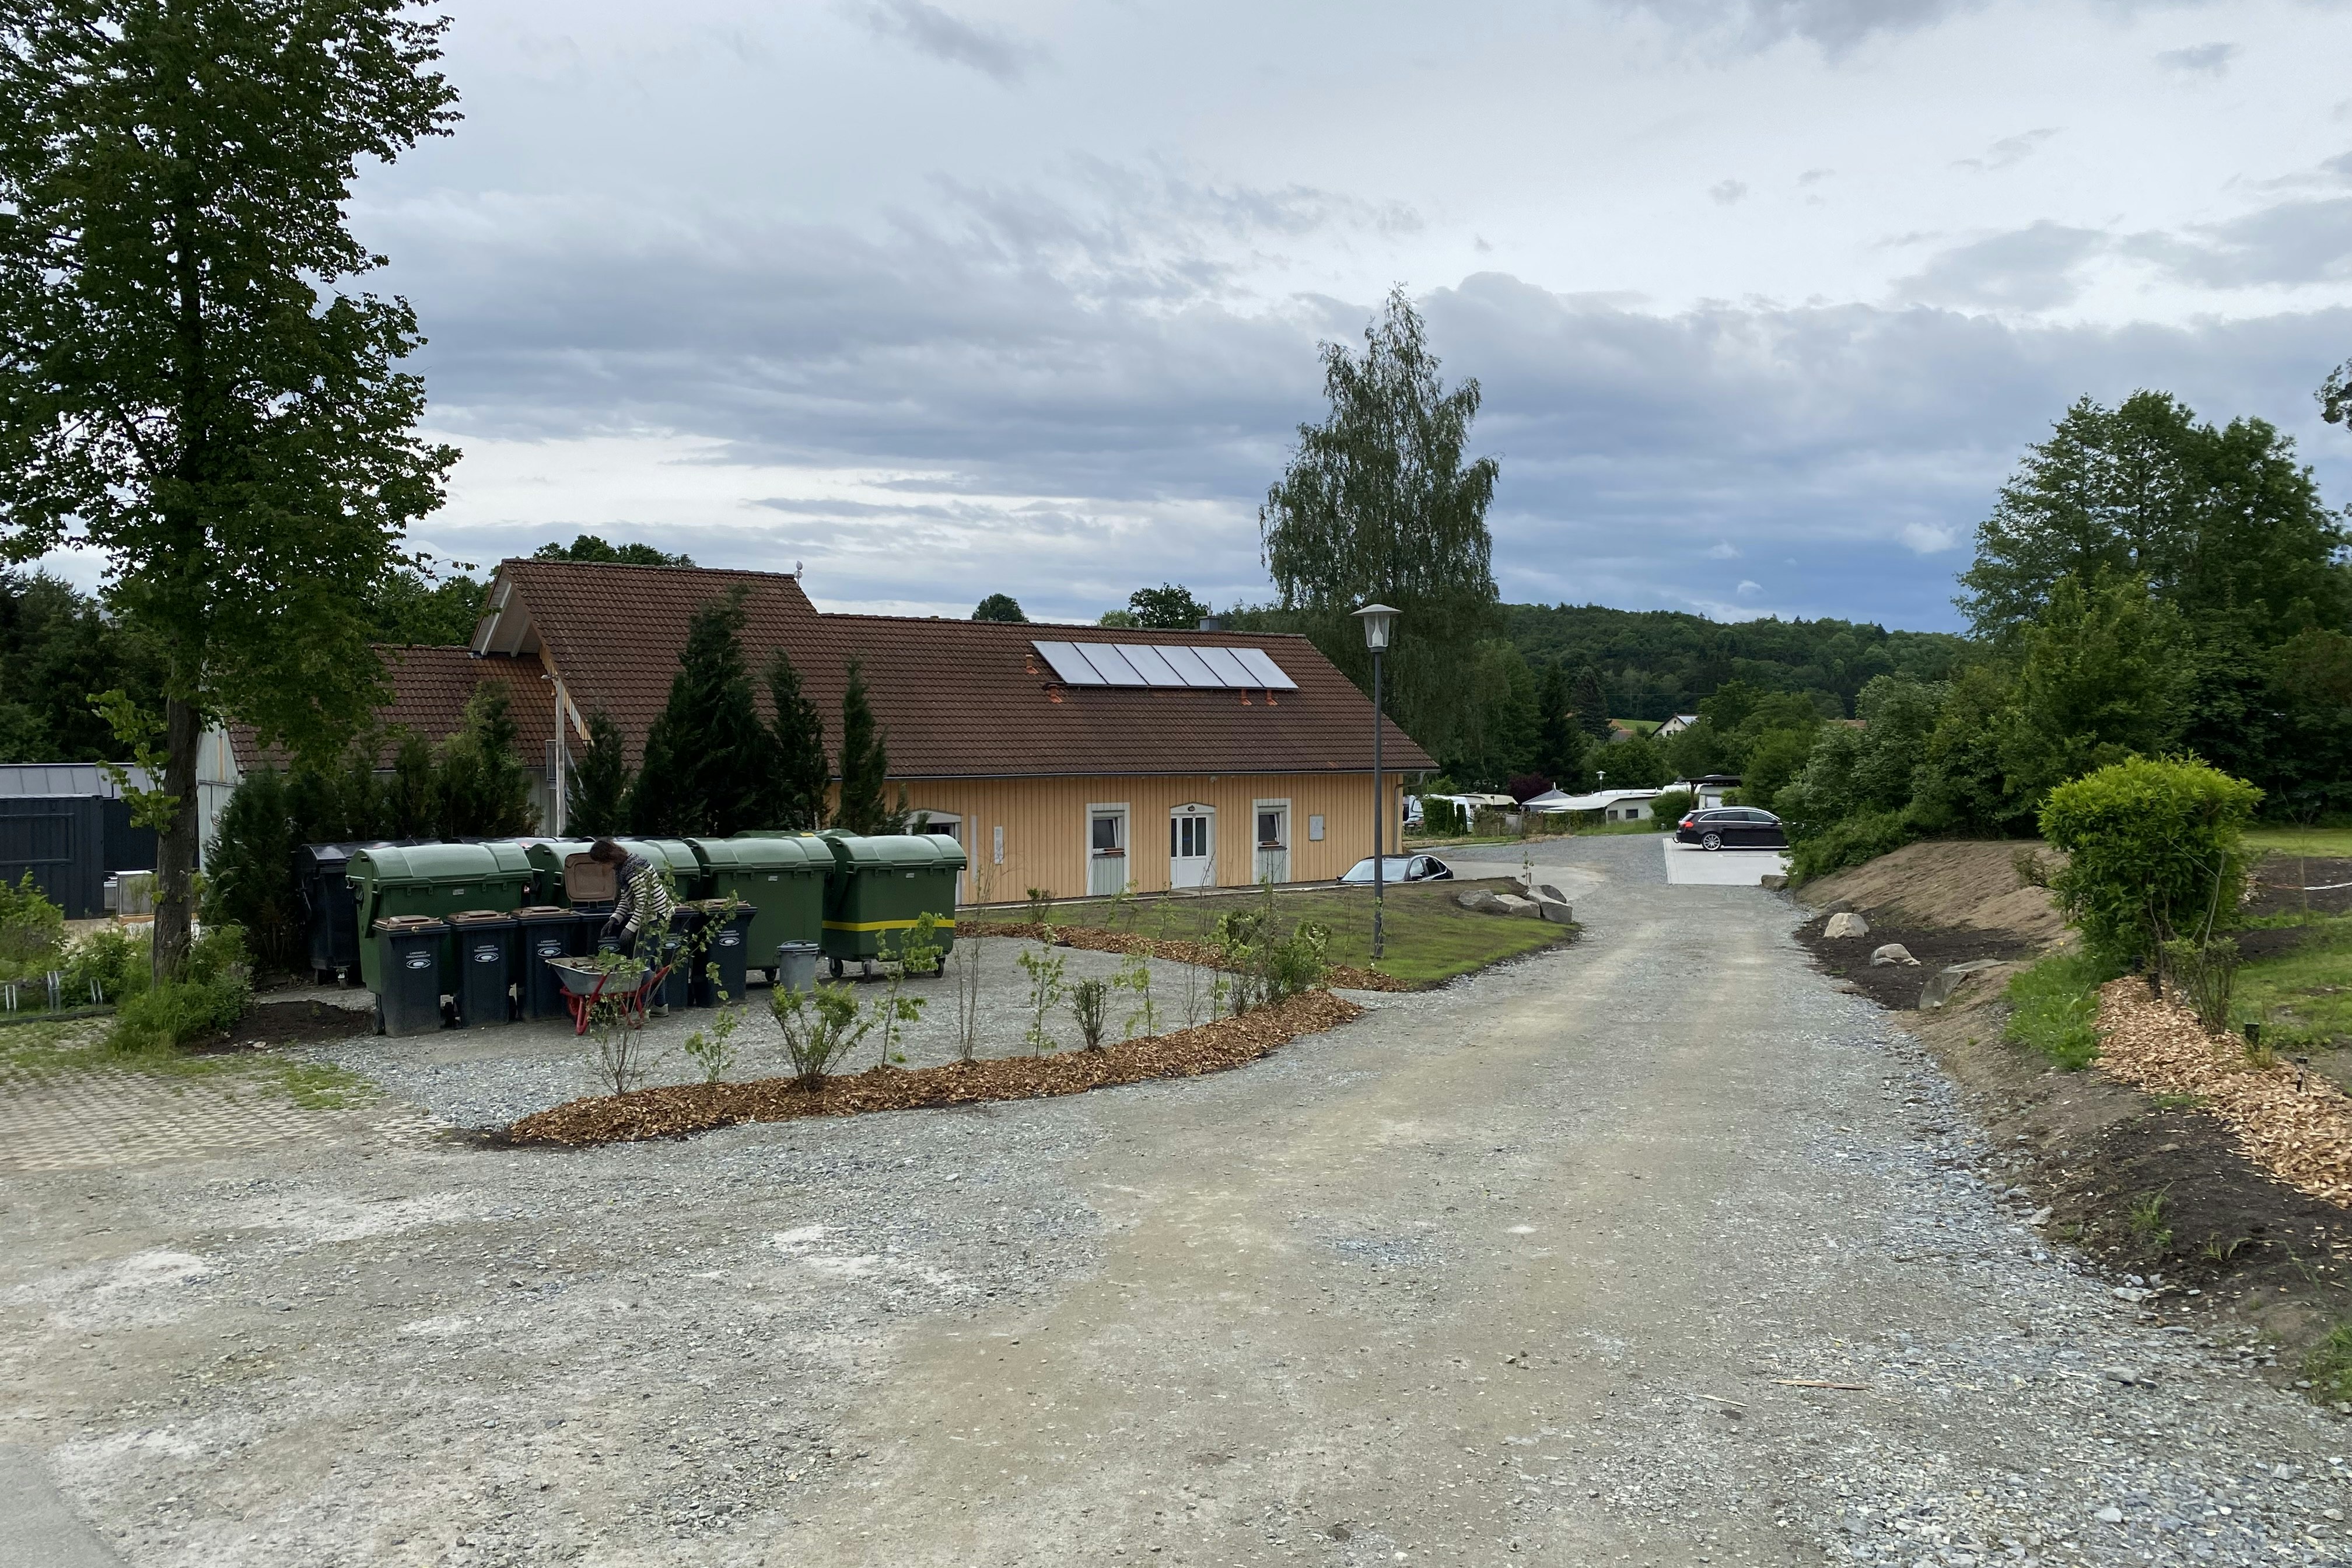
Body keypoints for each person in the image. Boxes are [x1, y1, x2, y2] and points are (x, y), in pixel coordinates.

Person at [589, 838, 674, 960]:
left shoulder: (634, 870)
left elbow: (643, 903)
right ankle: (655, 978)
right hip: (650, 915)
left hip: (657, 915)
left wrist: (630, 928)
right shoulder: (622, 868)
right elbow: (626, 898)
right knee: (648, 957)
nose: (599, 867)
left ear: (608, 859)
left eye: (600, 863)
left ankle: (646, 979)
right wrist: (615, 918)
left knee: (641, 959)